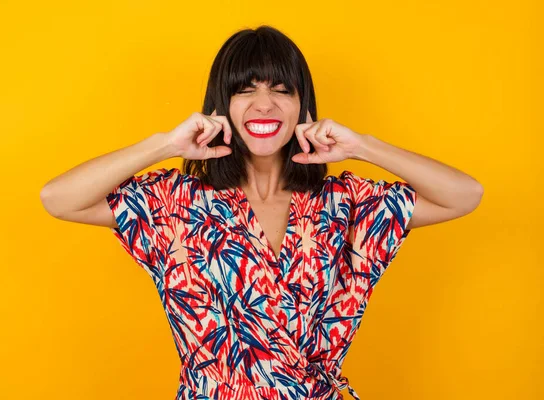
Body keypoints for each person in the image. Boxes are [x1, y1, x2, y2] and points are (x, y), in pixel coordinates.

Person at [40, 25, 483, 400]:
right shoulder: (176, 204)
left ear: (302, 106)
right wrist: (166, 145)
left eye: (281, 90)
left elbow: (464, 194)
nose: (264, 104)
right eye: (245, 90)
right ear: (221, 106)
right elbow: (58, 198)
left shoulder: (344, 203)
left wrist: (362, 146)